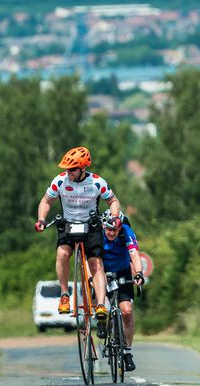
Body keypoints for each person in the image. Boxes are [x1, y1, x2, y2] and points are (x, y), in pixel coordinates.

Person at [35, 146, 122, 329]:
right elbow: (46, 201)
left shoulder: (97, 182)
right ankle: (65, 295)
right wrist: (41, 219)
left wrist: (114, 217)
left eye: (73, 169)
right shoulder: (59, 181)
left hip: (91, 226)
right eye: (67, 169)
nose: (69, 172)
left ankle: (100, 304)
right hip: (68, 224)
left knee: (96, 263)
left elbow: (113, 201)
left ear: (83, 168)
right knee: (62, 254)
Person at [99, 209, 145, 371]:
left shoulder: (126, 233)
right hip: (101, 271)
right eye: (109, 229)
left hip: (122, 271)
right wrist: (92, 277)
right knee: (100, 303)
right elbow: (88, 259)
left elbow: (134, 255)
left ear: (120, 228)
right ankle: (101, 322)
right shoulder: (97, 232)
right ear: (104, 226)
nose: (111, 233)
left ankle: (127, 352)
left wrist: (138, 273)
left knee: (126, 311)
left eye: (115, 230)